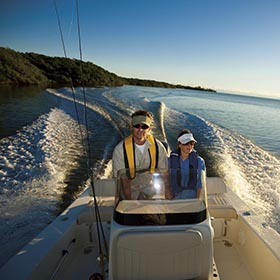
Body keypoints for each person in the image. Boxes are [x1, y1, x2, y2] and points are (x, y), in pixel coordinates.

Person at [112, 110, 171, 199]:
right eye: (137, 126)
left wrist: (167, 191)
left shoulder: (158, 147)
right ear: (131, 126)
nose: (140, 130)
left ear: (149, 129)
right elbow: (124, 180)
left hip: (149, 189)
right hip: (128, 191)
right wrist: (129, 203)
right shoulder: (120, 150)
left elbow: (164, 173)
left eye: (144, 126)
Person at [168, 129, 206, 199]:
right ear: (179, 144)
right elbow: (166, 179)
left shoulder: (199, 161)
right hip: (174, 193)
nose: (189, 146)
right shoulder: (170, 161)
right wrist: (168, 194)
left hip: (191, 194)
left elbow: (200, 184)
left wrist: (197, 201)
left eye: (191, 143)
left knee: (187, 194)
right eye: (186, 143)